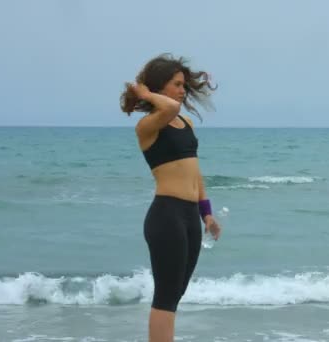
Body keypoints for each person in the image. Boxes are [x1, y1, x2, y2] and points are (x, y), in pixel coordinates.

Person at [119, 54, 222, 342]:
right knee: (165, 296)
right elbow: (170, 107)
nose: (182, 90)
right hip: (166, 215)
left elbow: (195, 172)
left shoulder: (186, 123)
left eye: (183, 85)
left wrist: (207, 212)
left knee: (175, 295)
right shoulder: (147, 127)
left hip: (189, 216)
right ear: (158, 88)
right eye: (176, 84)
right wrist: (144, 94)